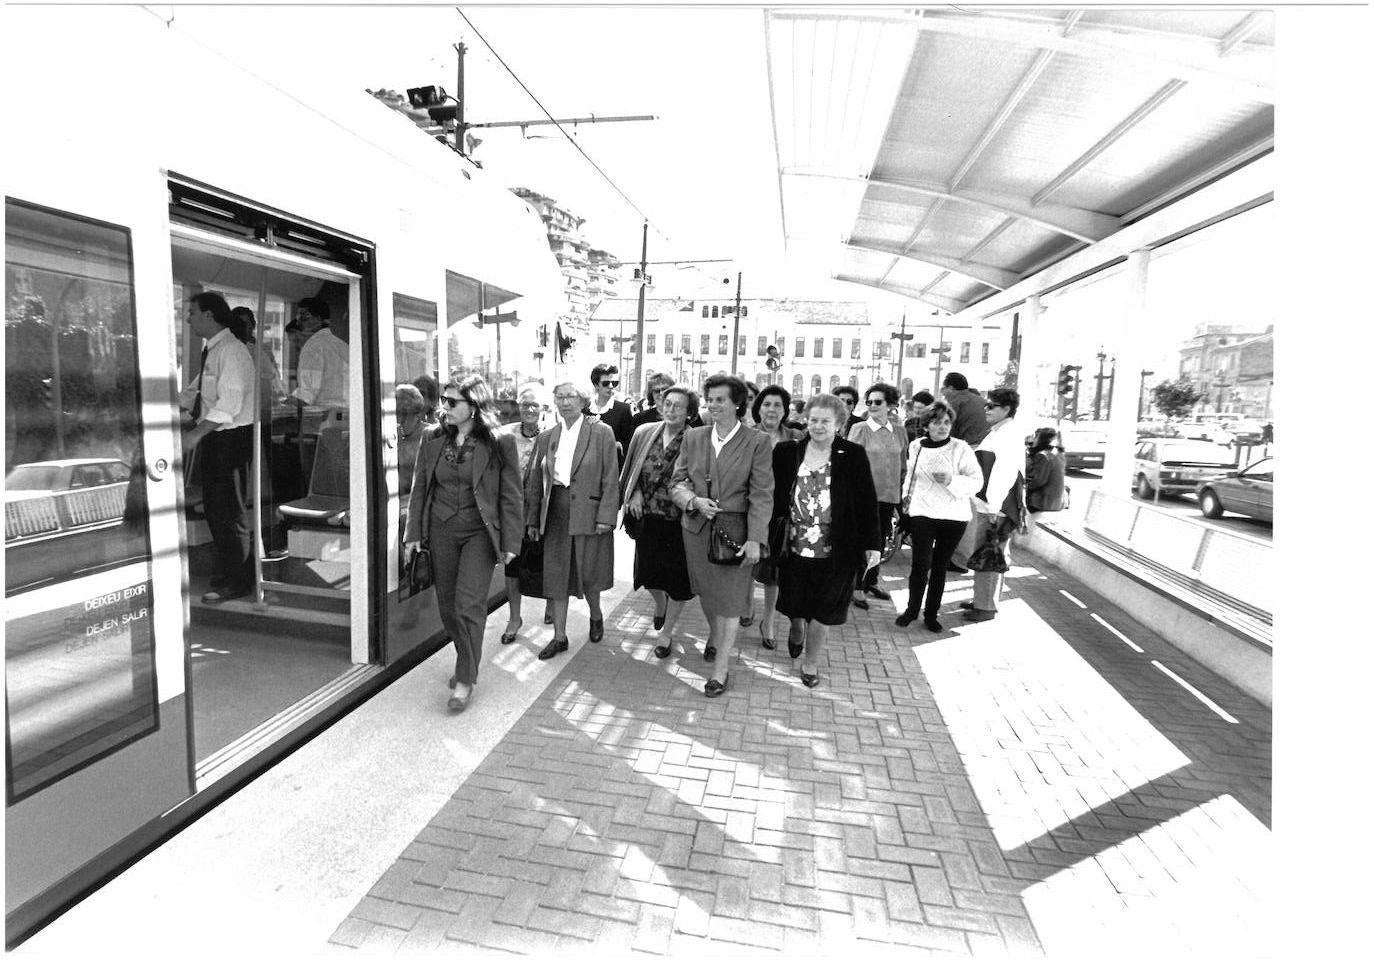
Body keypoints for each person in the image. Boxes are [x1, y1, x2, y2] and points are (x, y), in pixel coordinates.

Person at [404, 375, 521, 712]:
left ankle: (465, 679)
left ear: (474, 406)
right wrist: (412, 533)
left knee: (467, 605)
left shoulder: (500, 442)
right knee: (447, 608)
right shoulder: (433, 437)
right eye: (444, 399)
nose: (445, 407)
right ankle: (467, 662)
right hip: (441, 530)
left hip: (478, 535)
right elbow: (420, 488)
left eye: (453, 402)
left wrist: (511, 541)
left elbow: (511, 496)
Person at [670, 375, 773, 698]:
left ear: (738, 404)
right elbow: (677, 482)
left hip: (736, 536)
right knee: (707, 594)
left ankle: (721, 668)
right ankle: (715, 636)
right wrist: (693, 501)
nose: (713, 405)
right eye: (709, 399)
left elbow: (762, 494)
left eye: (720, 400)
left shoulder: (757, 441)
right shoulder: (694, 437)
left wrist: (756, 538)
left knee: (729, 602)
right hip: (697, 532)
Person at [772, 393, 882, 688]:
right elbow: (772, 498)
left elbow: (867, 501)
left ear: (839, 424)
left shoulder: (853, 455)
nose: (818, 426)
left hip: (838, 548)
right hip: (793, 545)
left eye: (826, 421)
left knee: (824, 610)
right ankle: (795, 627)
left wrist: (873, 544)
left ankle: (810, 662)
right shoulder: (787, 452)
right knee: (795, 605)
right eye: (814, 420)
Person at [526, 380, 619, 659]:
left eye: (571, 396)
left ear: (583, 401)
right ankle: (560, 636)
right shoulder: (548, 436)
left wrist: (606, 516)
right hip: (554, 511)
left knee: (587, 570)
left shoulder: (601, 432)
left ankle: (596, 615)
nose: (565, 402)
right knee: (557, 574)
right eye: (560, 397)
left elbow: (610, 478)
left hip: (589, 514)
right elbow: (534, 481)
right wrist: (532, 519)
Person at [180, 292, 257, 604]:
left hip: (231, 439)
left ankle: (238, 583)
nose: (188, 319)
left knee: (228, 511)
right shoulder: (213, 351)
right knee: (216, 509)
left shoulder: (233, 352)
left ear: (210, 315)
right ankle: (232, 574)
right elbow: (196, 393)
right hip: (218, 438)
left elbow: (229, 404)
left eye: (192, 313)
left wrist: (195, 435)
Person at [620, 386, 696, 659]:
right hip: (647, 517)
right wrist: (636, 493)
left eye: (679, 405)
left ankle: (666, 634)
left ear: (690, 412)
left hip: (679, 522)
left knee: (678, 581)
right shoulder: (645, 432)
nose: (671, 409)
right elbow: (631, 471)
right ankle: (659, 603)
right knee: (647, 575)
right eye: (668, 403)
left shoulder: (695, 439)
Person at [893, 401, 981, 631]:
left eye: (946, 422)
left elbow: (976, 482)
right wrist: (905, 509)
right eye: (936, 422)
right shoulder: (916, 446)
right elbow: (909, 479)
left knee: (940, 566)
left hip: (953, 516)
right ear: (926, 425)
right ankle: (912, 610)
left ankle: (931, 614)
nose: (942, 427)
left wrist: (952, 479)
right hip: (922, 512)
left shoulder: (961, 448)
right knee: (920, 564)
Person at [964, 388, 1026, 622]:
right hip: (995, 505)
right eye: (986, 405)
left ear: (1006, 409)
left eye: (992, 406)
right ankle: (984, 601)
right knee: (992, 553)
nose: (986, 409)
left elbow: (1005, 473)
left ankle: (985, 607)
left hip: (997, 506)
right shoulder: (1001, 432)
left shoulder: (1007, 434)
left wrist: (993, 507)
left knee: (989, 554)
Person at [747, 384, 801, 647]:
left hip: (781, 512)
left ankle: (767, 620)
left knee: (773, 572)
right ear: (758, 407)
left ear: (785, 410)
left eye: (777, 405)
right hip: (751, 508)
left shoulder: (796, 437)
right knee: (746, 562)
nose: (771, 409)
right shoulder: (746, 434)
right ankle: (746, 602)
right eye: (767, 404)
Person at [496, 382, 550, 643]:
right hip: (513, 512)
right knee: (512, 566)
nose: (529, 409)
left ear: (543, 408)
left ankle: (552, 605)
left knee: (548, 562)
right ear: (518, 407)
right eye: (524, 404)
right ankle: (514, 617)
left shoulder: (553, 434)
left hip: (544, 511)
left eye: (534, 405)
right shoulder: (505, 435)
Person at [847, 382, 908, 606]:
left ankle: (871, 581)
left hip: (888, 496)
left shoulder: (900, 431)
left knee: (880, 541)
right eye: (869, 401)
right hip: (863, 497)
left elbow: (903, 464)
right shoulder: (859, 429)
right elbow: (849, 463)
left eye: (878, 402)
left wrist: (901, 496)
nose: (872, 405)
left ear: (890, 405)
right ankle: (857, 586)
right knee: (862, 541)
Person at [288, 297, 348, 411]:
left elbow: (306, 394)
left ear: (319, 318)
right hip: (347, 415)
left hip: (325, 418)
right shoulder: (341, 345)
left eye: (304, 315)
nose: (298, 320)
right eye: (298, 315)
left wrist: (280, 407)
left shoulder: (314, 346)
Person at [586, 363, 634, 463]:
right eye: (606, 383)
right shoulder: (584, 410)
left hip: (612, 467)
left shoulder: (624, 409)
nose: (611, 386)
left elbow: (629, 443)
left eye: (615, 383)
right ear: (596, 385)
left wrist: (616, 445)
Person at [1024, 427, 1067, 527]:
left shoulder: (1043, 456)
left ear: (1041, 439)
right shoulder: (1058, 454)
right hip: (1055, 502)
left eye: (1036, 437)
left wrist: (1024, 485)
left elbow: (1038, 481)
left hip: (1042, 501)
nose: (1033, 440)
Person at [939, 372, 990, 447]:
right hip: (987, 447)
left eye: (943, 389)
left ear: (950, 388)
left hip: (967, 448)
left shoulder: (954, 404)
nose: (942, 393)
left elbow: (946, 433)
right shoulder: (982, 401)